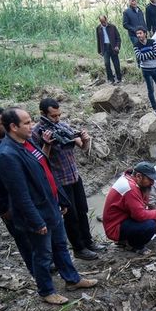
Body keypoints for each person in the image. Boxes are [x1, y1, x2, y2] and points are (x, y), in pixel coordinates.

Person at [0, 108, 99, 305]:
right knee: (42, 254)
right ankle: (46, 290)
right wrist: (36, 221)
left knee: (60, 246)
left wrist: (60, 199)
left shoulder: (28, 143)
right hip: (36, 213)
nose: (31, 125)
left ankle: (72, 279)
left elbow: (45, 171)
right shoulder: (7, 155)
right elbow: (20, 195)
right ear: (13, 127)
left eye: (30, 121)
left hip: (51, 205)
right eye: (26, 123)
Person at [32, 98, 103, 261]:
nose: (57, 119)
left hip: (74, 176)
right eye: (53, 116)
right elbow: (38, 162)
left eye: (59, 115)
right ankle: (79, 248)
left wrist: (85, 139)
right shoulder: (37, 133)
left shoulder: (63, 125)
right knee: (71, 217)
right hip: (58, 181)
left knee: (82, 211)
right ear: (43, 114)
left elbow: (82, 147)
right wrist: (47, 144)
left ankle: (89, 242)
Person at [0, 106, 33, 273]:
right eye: (3, 123)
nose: (8, 126)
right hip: (9, 202)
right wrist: (3, 209)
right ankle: (35, 270)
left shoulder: (9, 139)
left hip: (25, 195)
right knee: (23, 237)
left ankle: (45, 262)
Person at [102, 162, 156, 254]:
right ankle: (135, 246)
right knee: (151, 225)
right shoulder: (131, 188)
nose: (152, 183)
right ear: (139, 176)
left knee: (151, 218)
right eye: (150, 179)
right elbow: (139, 215)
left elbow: (143, 205)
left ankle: (127, 241)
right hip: (115, 227)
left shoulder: (130, 180)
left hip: (120, 220)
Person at [134, 27, 156, 115]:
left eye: (140, 33)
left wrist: (145, 54)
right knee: (151, 90)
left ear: (145, 33)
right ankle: (155, 109)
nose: (139, 35)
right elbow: (139, 57)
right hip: (146, 71)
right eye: (137, 34)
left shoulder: (152, 42)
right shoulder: (136, 45)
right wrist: (151, 53)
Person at [96, 15, 123, 85]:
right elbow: (98, 40)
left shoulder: (112, 27)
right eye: (102, 22)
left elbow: (118, 38)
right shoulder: (98, 28)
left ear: (106, 20)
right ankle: (110, 79)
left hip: (113, 47)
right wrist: (99, 50)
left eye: (104, 21)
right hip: (105, 48)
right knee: (107, 63)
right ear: (100, 21)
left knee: (116, 64)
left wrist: (117, 46)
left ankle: (119, 78)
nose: (103, 23)